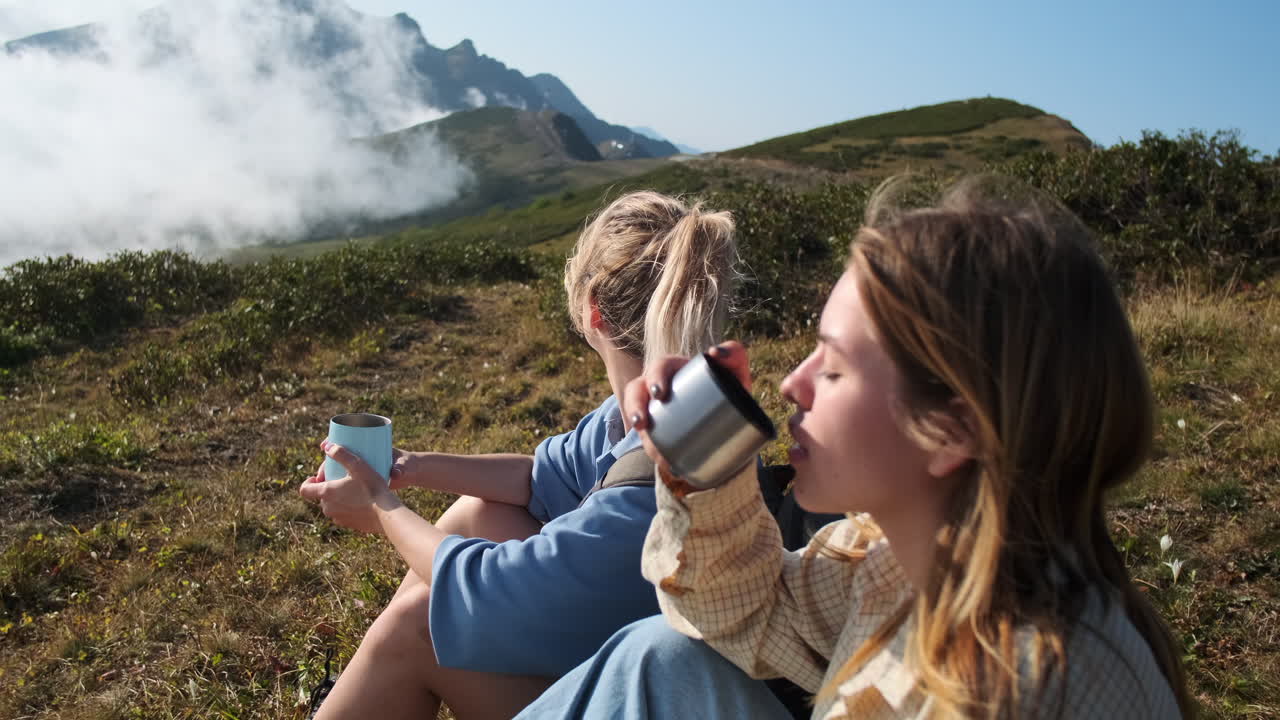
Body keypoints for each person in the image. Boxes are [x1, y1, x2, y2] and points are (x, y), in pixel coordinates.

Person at [514, 177, 1193, 719]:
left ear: (950, 430)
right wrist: (703, 446)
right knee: (658, 656)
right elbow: (743, 612)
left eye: (834, 368)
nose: (792, 383)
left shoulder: (1010, 693)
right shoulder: (897, 565)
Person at [298, 190, 739, 720]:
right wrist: (405, 469)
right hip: (658, 674)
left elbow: (483, 591)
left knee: (416, 630)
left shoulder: (659, 480)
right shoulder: (665, 417)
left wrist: (382, 506)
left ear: (592, 309)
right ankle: (368, 690)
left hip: (659, 698)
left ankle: (375, 685)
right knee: (478, 513)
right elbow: (539, 478)